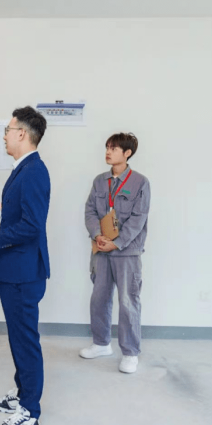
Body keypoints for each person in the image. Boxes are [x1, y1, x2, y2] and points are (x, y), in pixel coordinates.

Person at [0, 106, 50, 425]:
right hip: (14, 269)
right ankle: (22, 394)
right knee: (18, 337)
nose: (5, 135)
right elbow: (20, 220)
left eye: (8, 130)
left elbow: (33, 226)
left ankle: (30, 413)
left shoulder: (34, 171)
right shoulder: (23, 168)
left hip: (23, 272)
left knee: (25, 340)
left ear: (22, 133)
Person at [80, 132, 151, 374]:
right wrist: (97, 235)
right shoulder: (100, 181)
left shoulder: (140, 182)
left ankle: (130, 353)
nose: (108, 152)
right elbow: (90, 210)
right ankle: (101, 344)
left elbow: (139, 218)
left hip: (127, 253)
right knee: (99, 298)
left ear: (127, 153)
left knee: (128, 301)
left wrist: (117, 242)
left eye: (114, 148)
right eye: (107, 147)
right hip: (101, 250)